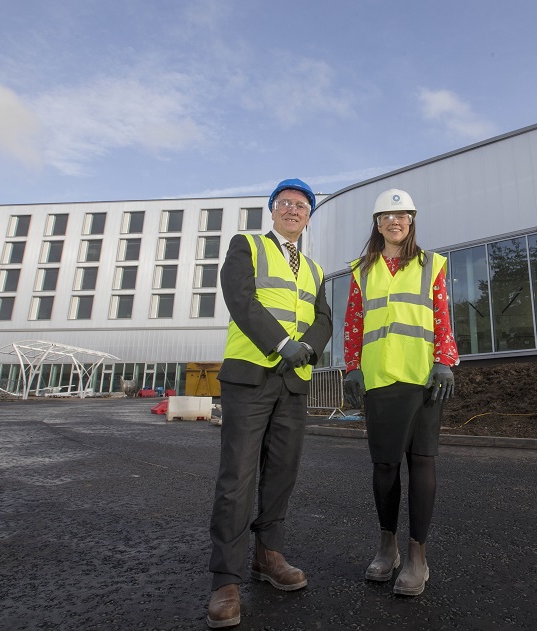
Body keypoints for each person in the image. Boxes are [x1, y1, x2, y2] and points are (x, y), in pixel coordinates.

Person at [207, 178, 332, 628]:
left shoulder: (315, 270)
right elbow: (239, 299)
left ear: (309, 215)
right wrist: (282, 344)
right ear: (273, 210)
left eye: (302, 205)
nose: (294, 210)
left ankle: (268, 555)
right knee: (237, 476)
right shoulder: (247, 245)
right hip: (250, 376)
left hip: (294, 382)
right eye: (286, 203)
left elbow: (323, 318)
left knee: (281, 473)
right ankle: (226, 579)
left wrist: (308, 350)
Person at [342, 188, 458, 597]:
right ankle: (387, 547)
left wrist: (445, 359)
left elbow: (442, 314)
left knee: (422, 462)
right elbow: (354, 320)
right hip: (379, 379)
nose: (395, 221)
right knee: (386, 466)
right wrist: (352, 367)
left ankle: (417, 557)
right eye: (387, 216)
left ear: (411, 221)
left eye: (403, 215)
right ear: (377, 224)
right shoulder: (362, 270)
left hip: (424, 377)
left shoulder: (433, 265)